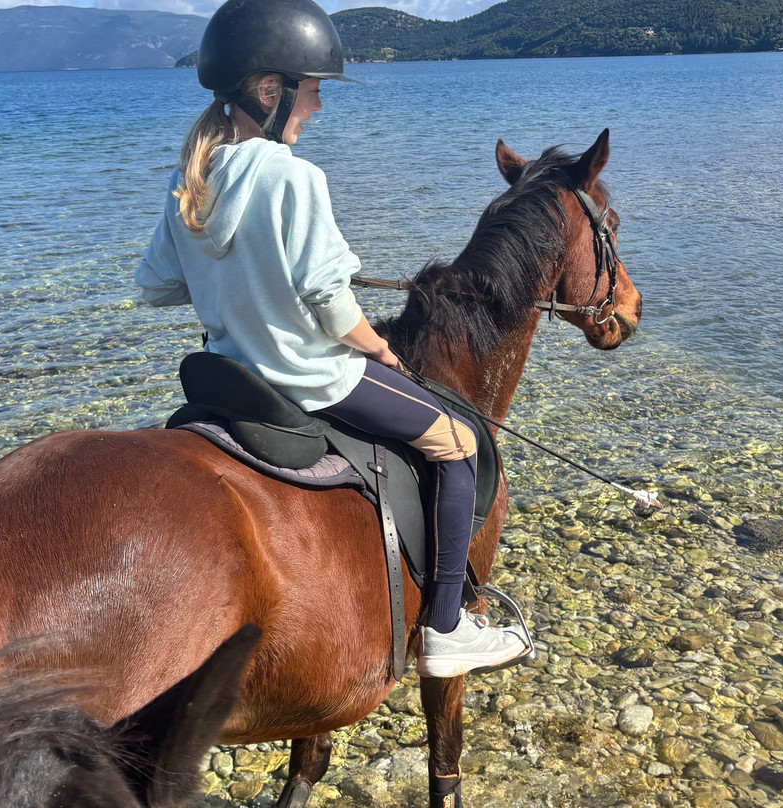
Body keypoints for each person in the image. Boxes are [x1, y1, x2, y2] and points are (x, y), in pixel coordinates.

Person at [135, 0, 530, 678]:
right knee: (461, 442)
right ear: (270, 90)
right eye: (313, 90)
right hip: (313, 377)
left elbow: (158, 286)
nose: (317, 106)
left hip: (235, 374)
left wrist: (235, 282)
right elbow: (330, 304)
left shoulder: (190, 181)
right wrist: (376, 346)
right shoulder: (295, 176)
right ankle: (446, 628)